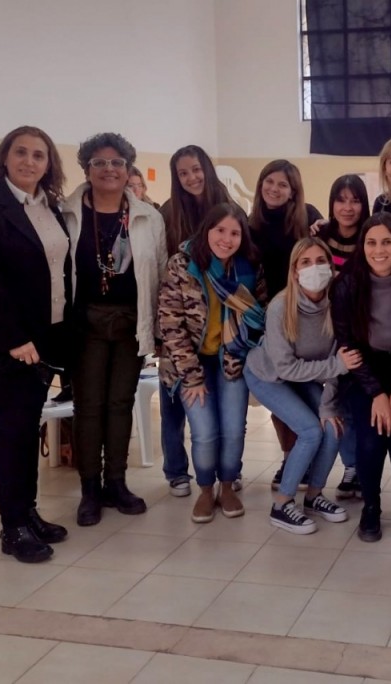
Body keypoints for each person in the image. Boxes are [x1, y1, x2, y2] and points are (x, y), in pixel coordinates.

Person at [0, 126, 72, 564]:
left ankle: (29, 512)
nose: (29, 161)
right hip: (8, 343)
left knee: (27, 428)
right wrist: (14, 339)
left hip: (45, 338)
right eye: (20, 152)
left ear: (48, 163)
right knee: (14, 431)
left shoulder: (50, 206)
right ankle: (13, 527)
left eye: (39, 155)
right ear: (4, 157)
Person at [62, 132, 167, 527]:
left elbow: (159, 273)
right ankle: (90, 489)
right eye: (99, 162)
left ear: (128, 169)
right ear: (86, 169)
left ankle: (116, 482)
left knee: (120, 404)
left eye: (117, 163)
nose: (109, 169)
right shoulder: (66, 212)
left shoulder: (148, 217)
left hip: (130, 322)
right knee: (88, 406)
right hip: (84, 323)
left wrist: (158, 330)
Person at [158, 203, 266, 523]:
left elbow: (259, 316)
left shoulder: (248, 266)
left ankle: (227, 485)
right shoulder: (182, 264)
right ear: (206, 230)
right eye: (220, 230)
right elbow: (171, 323)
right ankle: (206, 489)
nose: (226, 239)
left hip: (232, 358)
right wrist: (192, 376)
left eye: (235, 233)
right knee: (204, 431)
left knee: (233, 429)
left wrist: (241, 353)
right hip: (189, 363)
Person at [245, 238, 360, 534]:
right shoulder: (280, 306)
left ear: (331, 266)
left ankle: (313, 497)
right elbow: (289, 367)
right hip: (268, 374)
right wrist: (336, 366)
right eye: (305, 262)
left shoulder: (337, 304)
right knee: (310, 431)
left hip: (304, 375)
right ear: (295, 271)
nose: (314, 268)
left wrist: (328, 406)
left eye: (321, 261)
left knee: (332, 426)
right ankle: (282, 504)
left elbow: (337, 362)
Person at [331, 213, 391, 542]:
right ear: (362, 245)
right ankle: (371, 506)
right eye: (371, 242)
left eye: (387, 242)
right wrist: (376, 393)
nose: (379, 250)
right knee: (370, 439)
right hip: (364, 369)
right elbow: (348, 345)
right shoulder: (346, 284)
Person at [158, 145, 232, 498]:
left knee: (219, 409)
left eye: (196, 169)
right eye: (183, 173)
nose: (191, 177)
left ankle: (225, 472)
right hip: (177, 321)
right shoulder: (169, 212)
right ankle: (176, 470)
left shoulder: (226, 203)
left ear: (207, 168)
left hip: (218, 323)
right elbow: (164, 269)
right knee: (173, 402)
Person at [248, 160, 324, 487]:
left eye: (282, 184)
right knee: (281, 395)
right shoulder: (251, 225)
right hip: (271, 316)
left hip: (306, 315)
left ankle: (310, 458)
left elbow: (323, 254)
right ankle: (290, 457)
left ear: (293, 191)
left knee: (307, 393)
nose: (274, 189)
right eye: (269, 182)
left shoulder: (309, 216)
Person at [318, 174, 370, 499]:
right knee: (334, 403)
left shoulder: (370, 238)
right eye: (341, 199)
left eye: (355, 200)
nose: (348, 207)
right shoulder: (319, 237)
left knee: (356, 402)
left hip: (359, 332)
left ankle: (362, 469)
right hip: (323, 333)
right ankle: (350, 467)